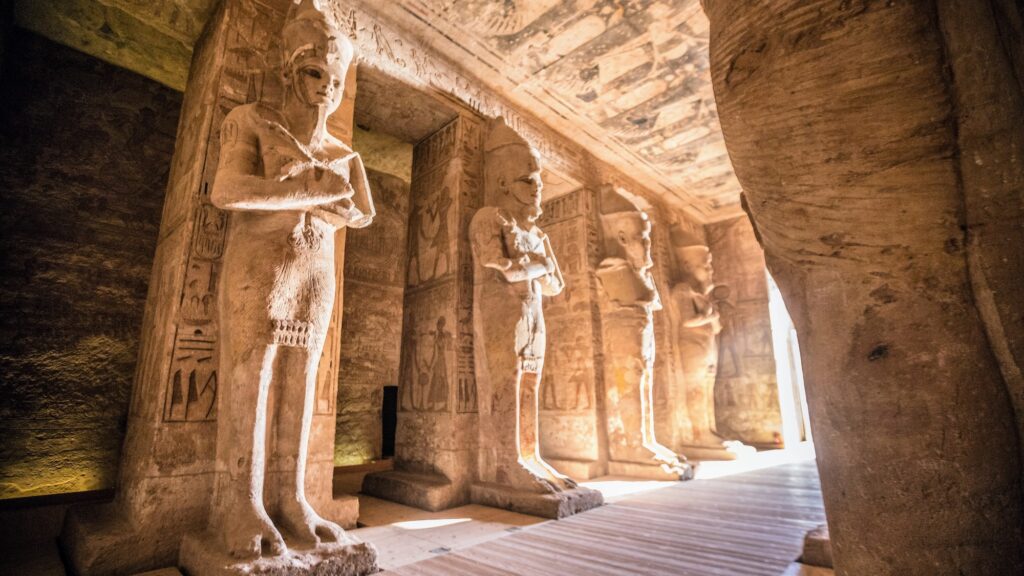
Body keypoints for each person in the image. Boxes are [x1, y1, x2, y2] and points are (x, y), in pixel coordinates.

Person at [205, 0, 372, 558]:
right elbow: (226, 192)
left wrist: (333, 195)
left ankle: (293, 497)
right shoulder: (250, 120)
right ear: (287, 71)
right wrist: (316, 191)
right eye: (313, 72)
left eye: (334, 77)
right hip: (260, 267)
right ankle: (241, 502)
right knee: (249, 381)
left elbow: (362, 211)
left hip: (315, 272)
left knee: (301, 383)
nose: (325, 86)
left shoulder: (342, 152)